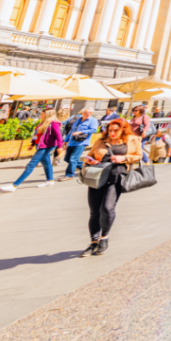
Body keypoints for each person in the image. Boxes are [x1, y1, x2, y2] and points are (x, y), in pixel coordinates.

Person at [79, 118, 142, 257]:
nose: (112, 133)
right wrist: (91, 160)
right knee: (94, 211)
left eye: (115, 130)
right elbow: (87, 157)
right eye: (110, 130)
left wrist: (124, 158)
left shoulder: (133, 140)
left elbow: (138, 156)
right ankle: (93, 242)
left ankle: (104, 238)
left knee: (107, 208)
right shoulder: (101, 141)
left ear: (123, 129)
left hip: (116, 177)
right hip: (97, 177)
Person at [0, 110, 63, 192]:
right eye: (41, 113)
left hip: (46, 146)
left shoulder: (53, 124)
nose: (41, 115)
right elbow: (36, 134)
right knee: (46, 163)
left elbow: (59, 137)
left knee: (31, 165)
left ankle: (14, 185)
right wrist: (32, 144)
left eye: (43, 114)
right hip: (39, 145)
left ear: (48, 115)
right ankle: (50, 180)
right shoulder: (42, 123)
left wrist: (60, 147)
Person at [59, 108, 99, 181]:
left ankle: (69, 175)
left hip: (81, 142)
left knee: (73, 159)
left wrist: (80, 132)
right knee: (67, 158)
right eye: (87, 112)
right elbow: (71, 131)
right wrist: (66, 140)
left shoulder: (93, 120)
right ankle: (86, 168)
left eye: (90, 113)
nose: (89, 114)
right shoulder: (78, 120)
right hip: (72, 142)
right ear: (82, 113)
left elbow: (94, 129)